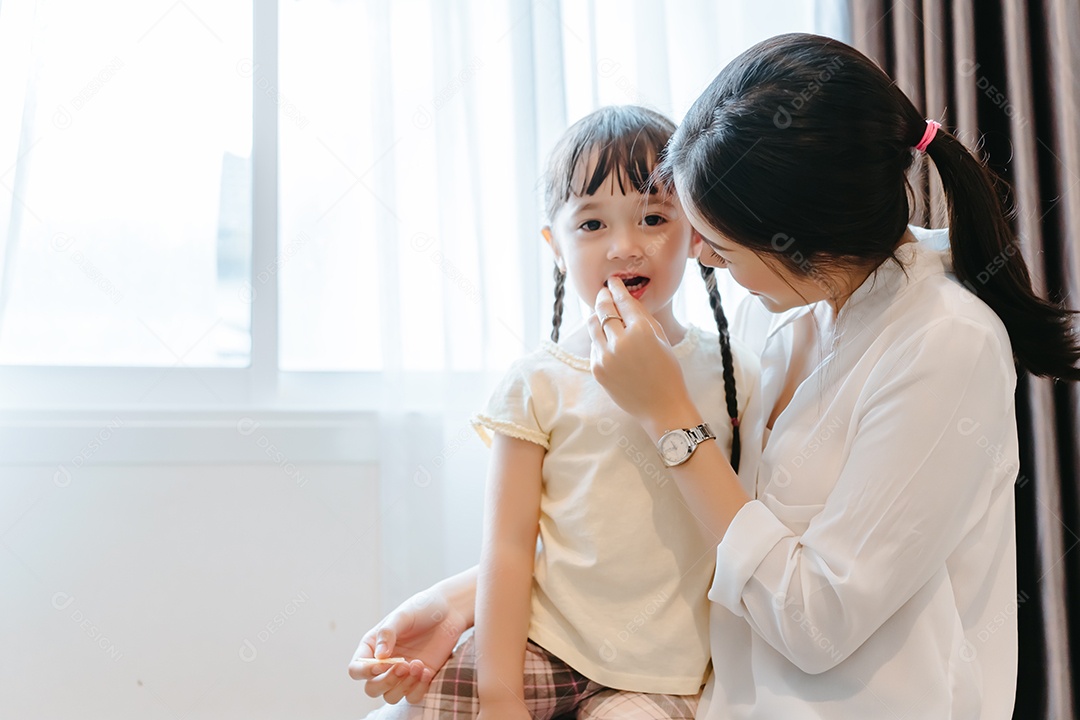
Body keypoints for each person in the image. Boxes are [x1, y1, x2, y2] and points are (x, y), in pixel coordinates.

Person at [351, 34, 1080, 719]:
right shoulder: (784, 307)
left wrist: (669, 419)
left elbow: (817, 624)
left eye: (718, 244)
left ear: (801, 236)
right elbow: (667, 527)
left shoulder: (945, 344)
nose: (702, 258)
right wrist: (463, 599)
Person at [351, 105, 760, 719]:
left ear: (697, 233)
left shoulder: (736, 376)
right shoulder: (537, 382)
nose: (624, 247)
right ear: (556, 247)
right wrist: (499, 696)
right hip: (543, 643)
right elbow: (509, 548)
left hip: (664, 674)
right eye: (592, 224)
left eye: (653, 218)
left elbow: (743, 535)